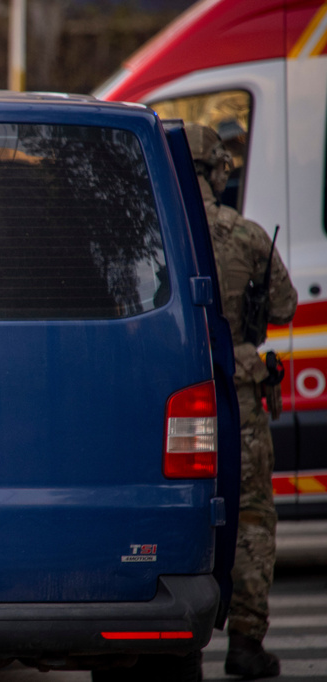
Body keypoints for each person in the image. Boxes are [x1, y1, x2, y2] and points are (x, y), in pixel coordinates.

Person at [185, 123, 298, 680]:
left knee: (178, 512)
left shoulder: (161, 232)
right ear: (218, 172)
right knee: (251, 516)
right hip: (240, 396)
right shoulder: (247, 235)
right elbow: (283, 308)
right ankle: (246, 644)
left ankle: (174, 642)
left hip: (171, 395)